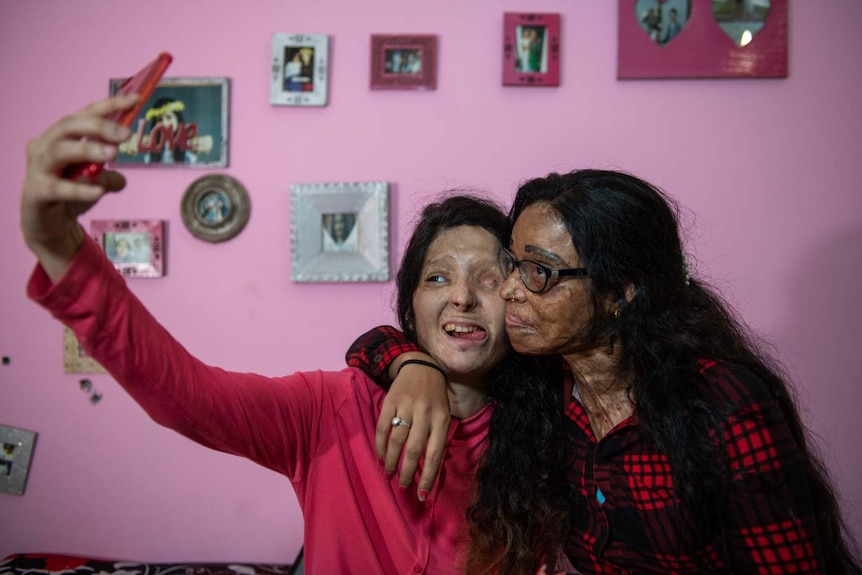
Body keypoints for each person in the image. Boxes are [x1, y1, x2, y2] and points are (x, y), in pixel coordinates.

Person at [20, 92, 570, 575]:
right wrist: (58, 244)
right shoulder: (331, 408)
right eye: (438, 277)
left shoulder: (553, 426)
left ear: (517, 297)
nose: (462, 297)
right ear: (411, 304)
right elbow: (185, 395)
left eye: (489, 279)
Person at [347, 169, 862, 574]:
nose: (508, 291)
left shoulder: (720, 402)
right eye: (513, 265)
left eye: (538, 273)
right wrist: (414, 366)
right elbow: (375, 341)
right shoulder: (540, 386)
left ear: (620, 292)